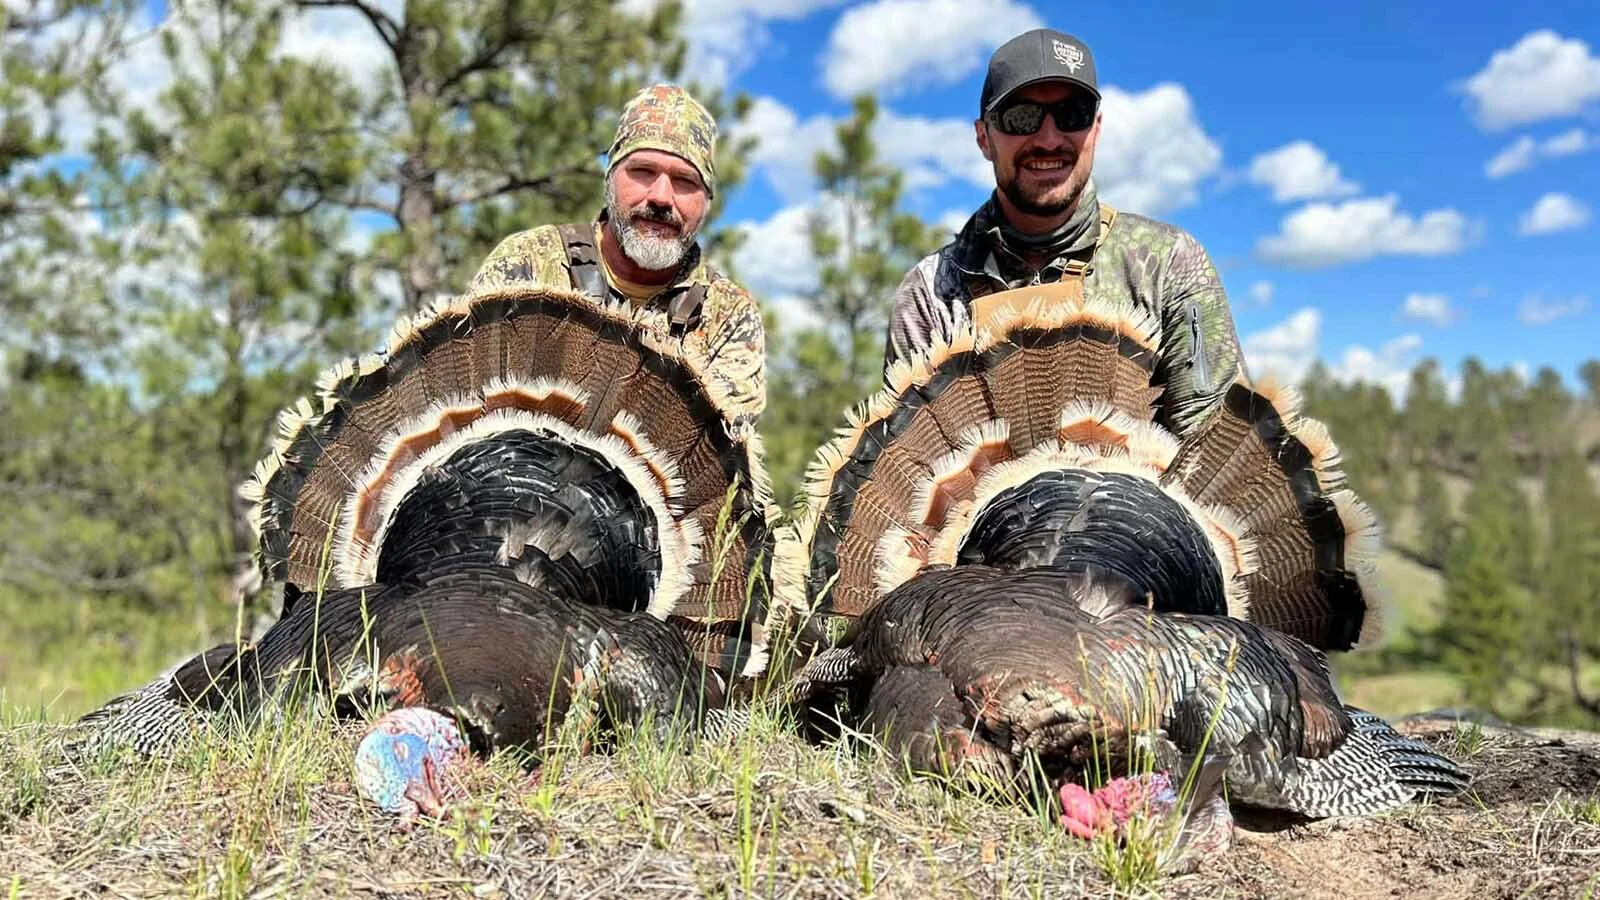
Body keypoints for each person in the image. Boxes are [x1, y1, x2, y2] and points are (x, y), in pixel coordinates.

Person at [883, 28, 1246, 438]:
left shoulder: (1167, 264)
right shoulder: (930, 294)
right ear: (984, 138)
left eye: (1073, 114)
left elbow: (1218, 453)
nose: (1049, 139)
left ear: (1097, 128)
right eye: (1021, 117)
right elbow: (912, 465)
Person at [472, 83, 766, 428]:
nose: (661, 197)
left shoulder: (728, 314)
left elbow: (717, 450)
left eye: (685, 181)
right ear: (610, 179)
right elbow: (470, 401)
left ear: (707, 202)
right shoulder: (528, 262)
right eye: (643, 171)